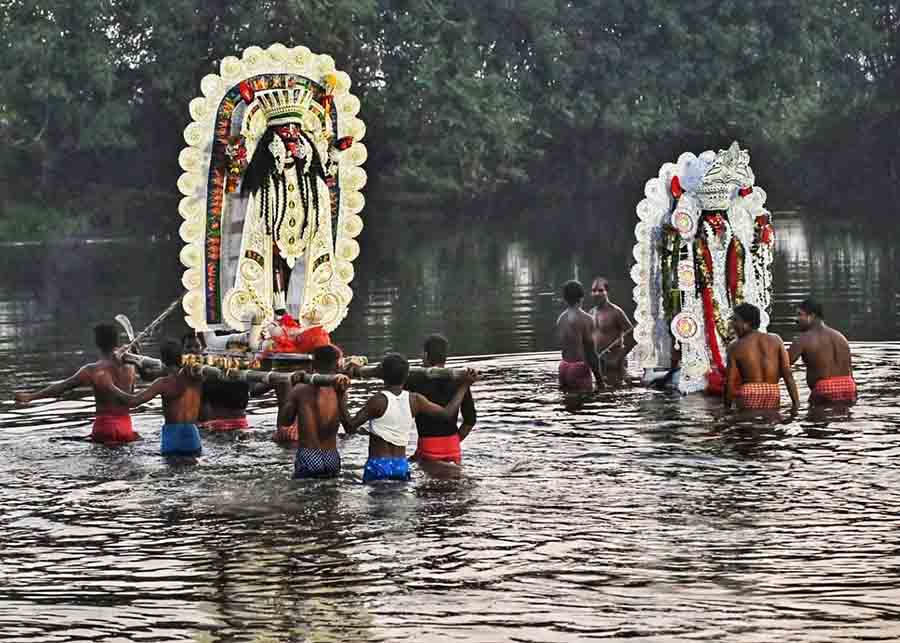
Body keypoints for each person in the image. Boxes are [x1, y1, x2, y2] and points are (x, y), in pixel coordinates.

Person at [339, 353, 477, 483]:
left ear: (382, 375)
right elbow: (447, 414)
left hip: (379, 465)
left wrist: (341, 397)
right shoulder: (415, 400)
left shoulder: (378, 401)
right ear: (407, 377)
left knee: (378, 506)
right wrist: (464, 385)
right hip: (401, 466)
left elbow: (350, 427)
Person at [14, 323, 139, 443]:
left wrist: (31, 397)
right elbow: (133, 394)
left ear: (98, 344)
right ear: (117, 341)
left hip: (103, 429)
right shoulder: (131, 366)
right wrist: (136, 355)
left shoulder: (92, 370)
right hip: (126, 428)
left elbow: (61, 387)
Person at [115, 339, 203, 456]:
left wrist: (109, 387)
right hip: (193, 439)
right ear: (181, 356)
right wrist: (138, 360)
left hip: (173, 440)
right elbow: (148, 375)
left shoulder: (163, 383)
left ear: (163, 360)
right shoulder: (197, 378)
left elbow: (132, 401)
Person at [277, 344, 350, 478]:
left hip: (309, 454)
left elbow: (285, 422)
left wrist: (292, 390)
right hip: (332, 456)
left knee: (305, 496)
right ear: (336, 365)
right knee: (331, 496)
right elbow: (347, 424)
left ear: (313, 363)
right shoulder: (340, 391)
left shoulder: (301, 389)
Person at [405, 334, 476, 465]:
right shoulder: (461, 381)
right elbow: (470, 421)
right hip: (453, 448)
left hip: (427, 448)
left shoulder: (415, 380)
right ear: (445, 357)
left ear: (426, 355)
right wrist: (452, 441)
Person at [724, 303, 800, 413]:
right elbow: (787, 374)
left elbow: (730, 381)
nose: (732, 324)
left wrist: (726, 409)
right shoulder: (776, 340)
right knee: (771, 425)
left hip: (749, 392)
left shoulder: (735, 346)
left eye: (735, 320)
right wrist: (796, 404)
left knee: (748, 426)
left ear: (747, 323)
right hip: (772, 391)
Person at [788, 299, 856, 405]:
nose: (796, 319)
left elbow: (784, 363)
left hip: (824, 388)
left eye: (799, 315)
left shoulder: (803, 339)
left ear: (812, 316)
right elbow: (850, 370)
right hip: (848, 386)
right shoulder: (840, 337)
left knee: (816, 420)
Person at [556, 280, 603, 392]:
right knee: (585, 404)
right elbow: (591, 352)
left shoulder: (561, 319)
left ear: (565, 299)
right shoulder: (586, 319)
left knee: (568, 405)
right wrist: (600, 381)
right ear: (582, 297)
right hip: (578, 369)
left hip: (564, 366)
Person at [590, 277, 634, 385]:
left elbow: (632, 336)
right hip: (599, 362)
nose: (596, 293)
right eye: (594, 290)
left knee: (614, 394)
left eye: (600, 290)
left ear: (607, 292)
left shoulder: (616, 312)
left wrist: (618, 358)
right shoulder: (591, 312)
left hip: (615, 363)